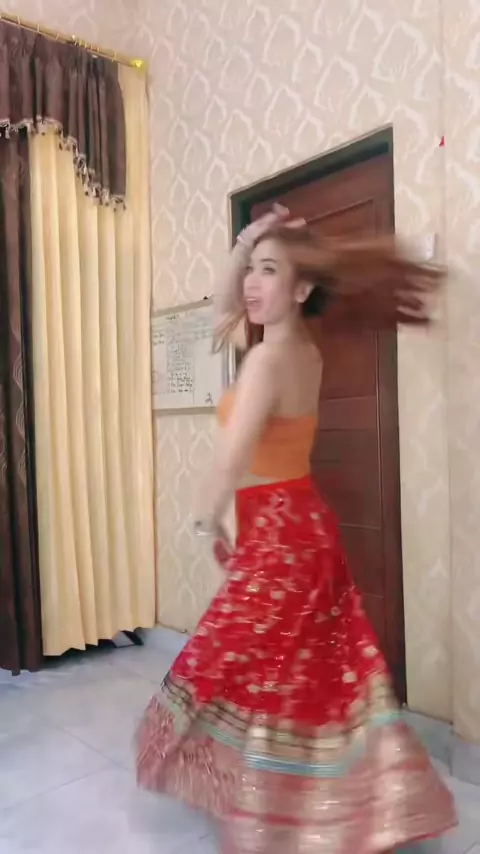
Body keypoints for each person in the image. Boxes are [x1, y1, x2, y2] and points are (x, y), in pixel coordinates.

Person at [136, 206, 457, 853]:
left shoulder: (266, 361)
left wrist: (202, 518)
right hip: (303, 525)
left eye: (268, 272)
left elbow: (233, 456)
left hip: (281, 534)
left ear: (303, 288)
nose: (251, 284)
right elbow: (225, 308)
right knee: (314, 669)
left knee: (261, 666)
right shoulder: (299, 351)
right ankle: (333, 801)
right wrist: (250, 242)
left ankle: (285, 811)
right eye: (251, 271)